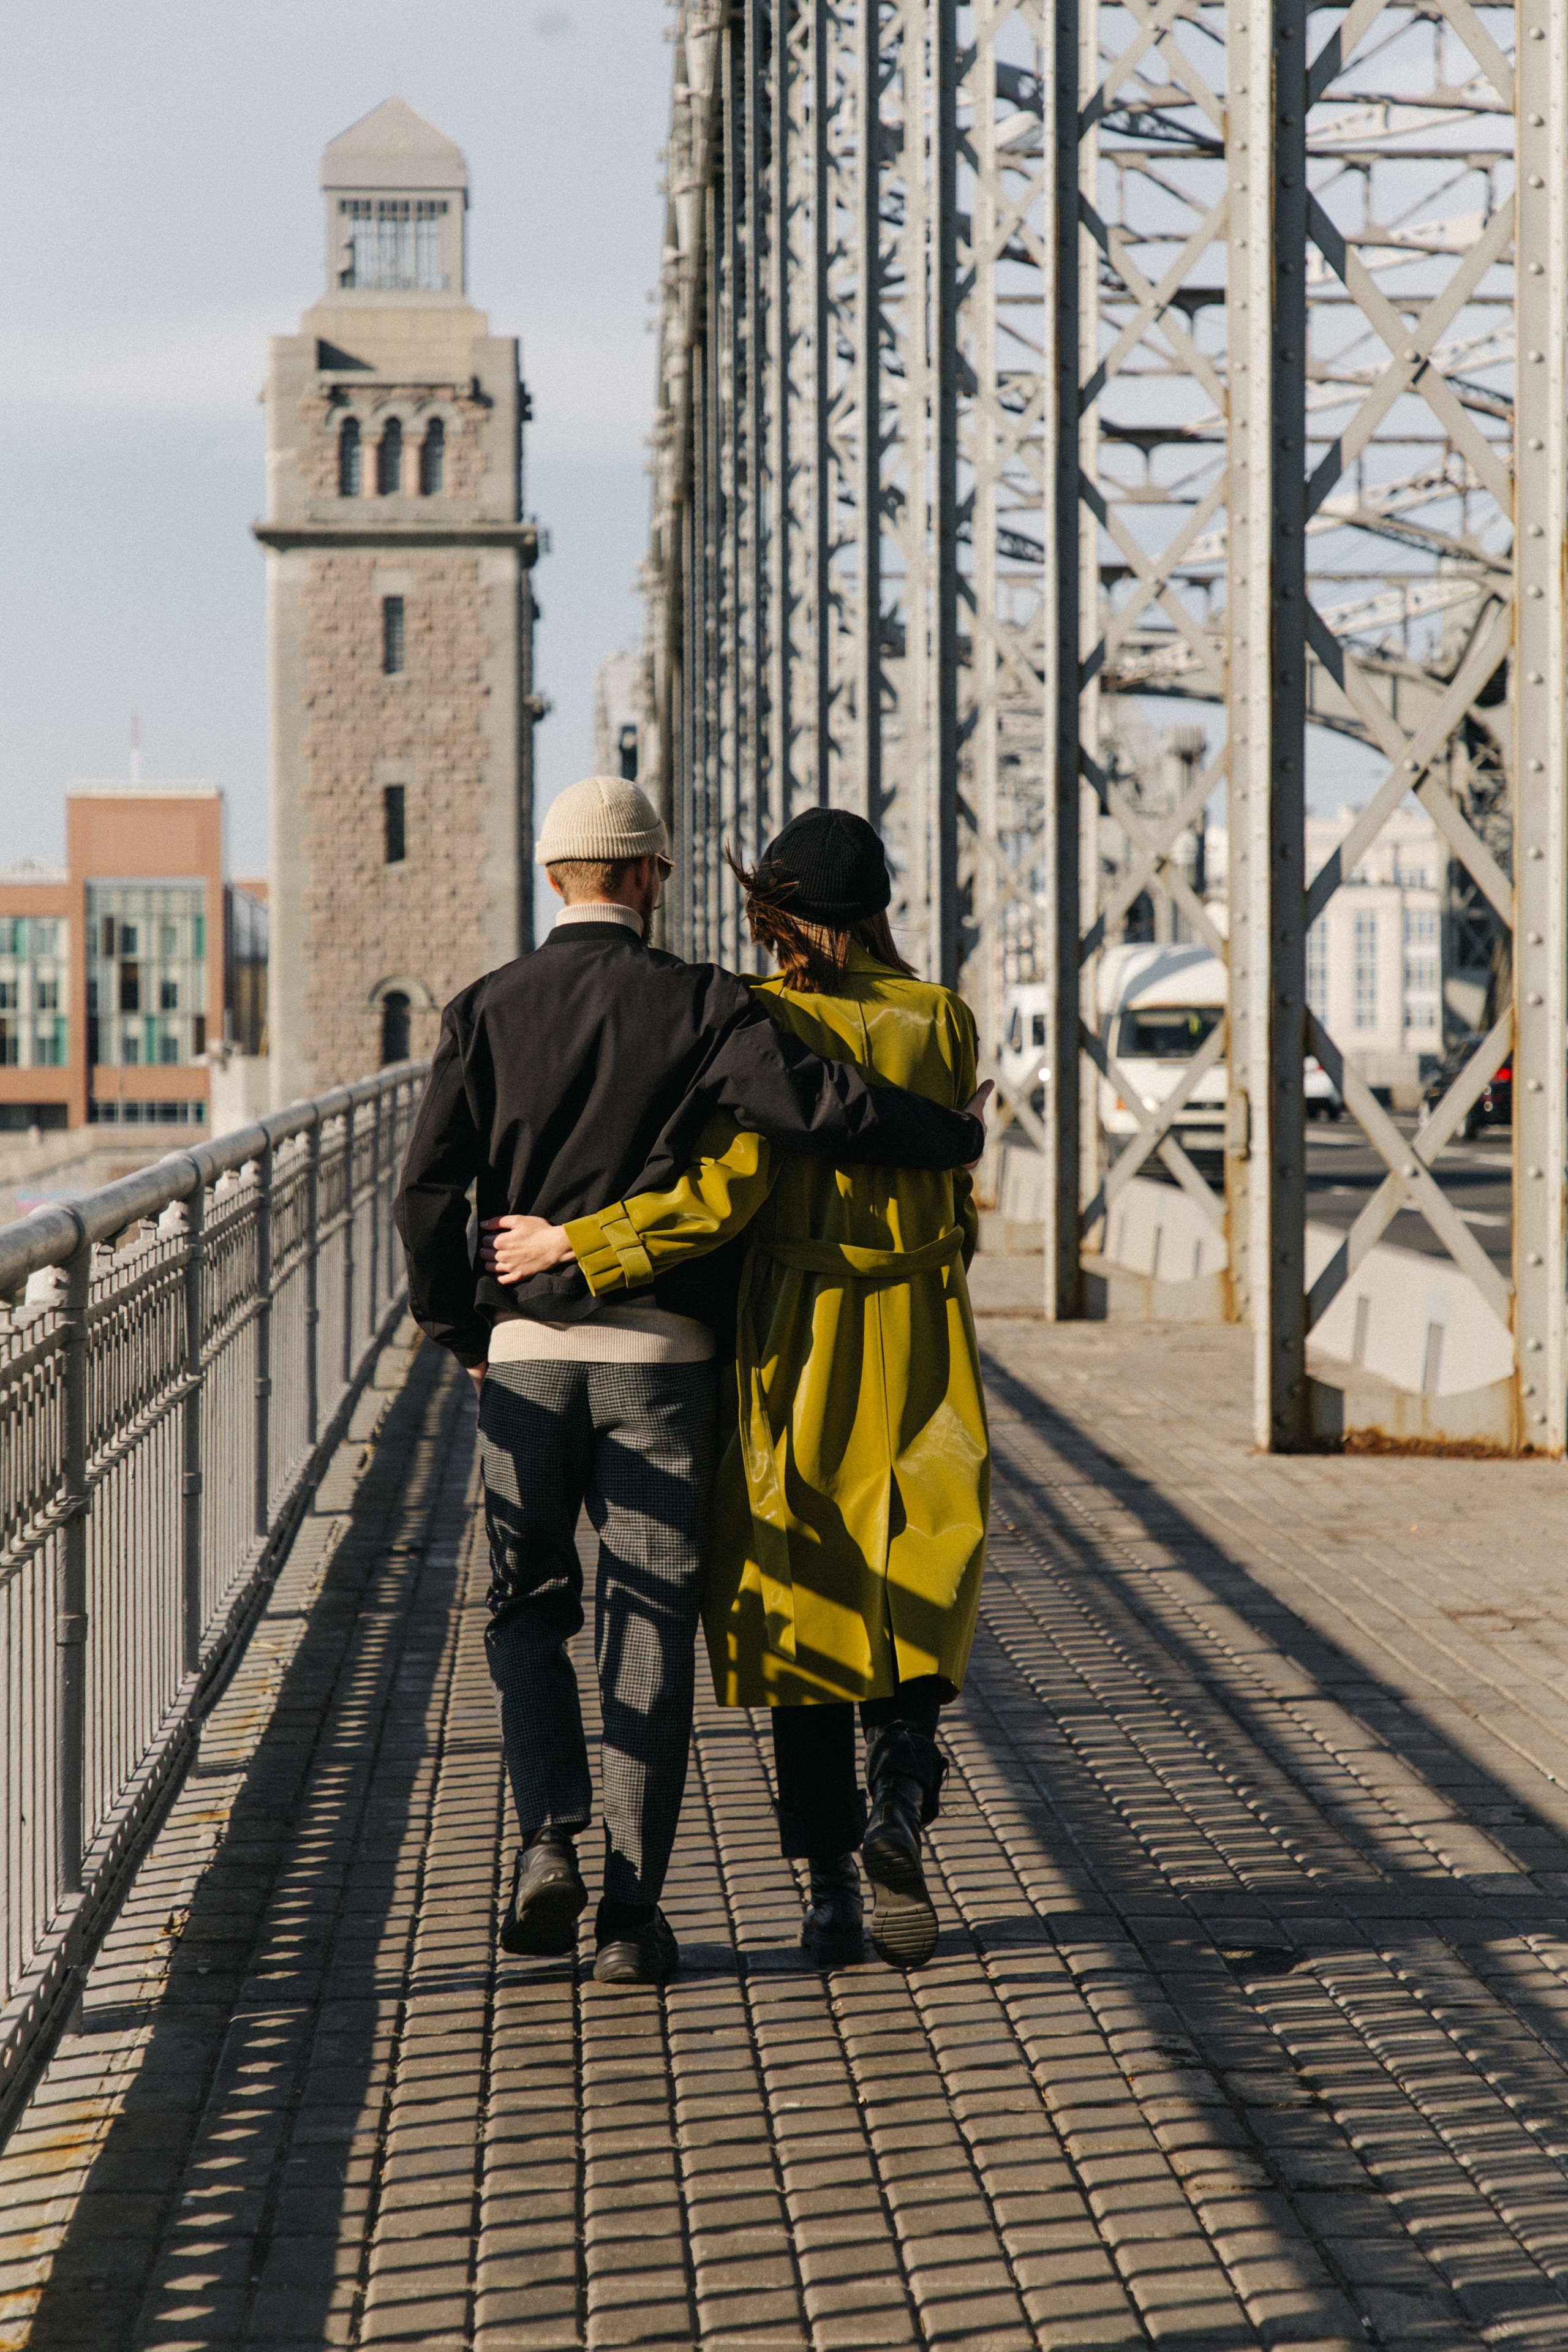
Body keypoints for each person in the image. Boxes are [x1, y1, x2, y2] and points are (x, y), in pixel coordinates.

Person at [393, 778, 988, 1989]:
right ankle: (804, 1834)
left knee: (710, 1602)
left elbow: (702, 1192)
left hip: (692, 1342)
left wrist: (497, 1300)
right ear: (648, 876)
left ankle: (628, 1848)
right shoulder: (893, 1017)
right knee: (844, 1588)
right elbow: (873, 1119)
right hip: (850, 1340)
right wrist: (956, 1137)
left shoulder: (513, 1008)